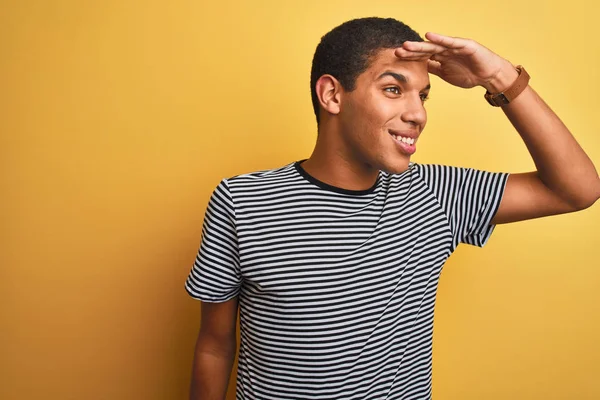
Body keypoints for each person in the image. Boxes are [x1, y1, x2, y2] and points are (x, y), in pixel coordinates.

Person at [185, 17, 600, 400]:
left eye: (423, 96)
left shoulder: (435, 194)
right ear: (332, 95)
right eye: (392, 89)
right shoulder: (243, 201)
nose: (417, 114)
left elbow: (576, 189)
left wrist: (498, 76)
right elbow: (215, 344)